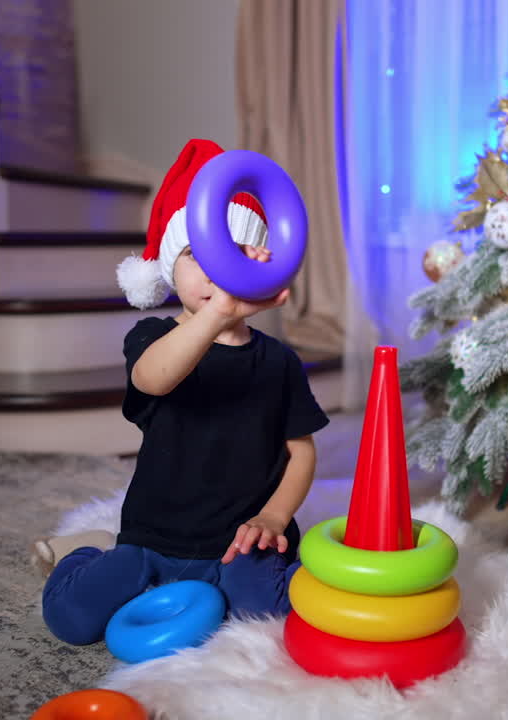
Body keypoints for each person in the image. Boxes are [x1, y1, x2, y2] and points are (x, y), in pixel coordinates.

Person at [36, 139, 329, 646]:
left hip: (239, 541)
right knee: (73, 619)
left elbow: (300, 450)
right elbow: (155, 379)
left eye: (237, 253)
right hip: (153, 536)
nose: (218, 267)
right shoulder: (151, 337)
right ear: (171, 266)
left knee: (271, 614)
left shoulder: (279, 361)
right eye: (198, 254)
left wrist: (275, 516)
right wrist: (218, 312)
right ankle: (85, 550)